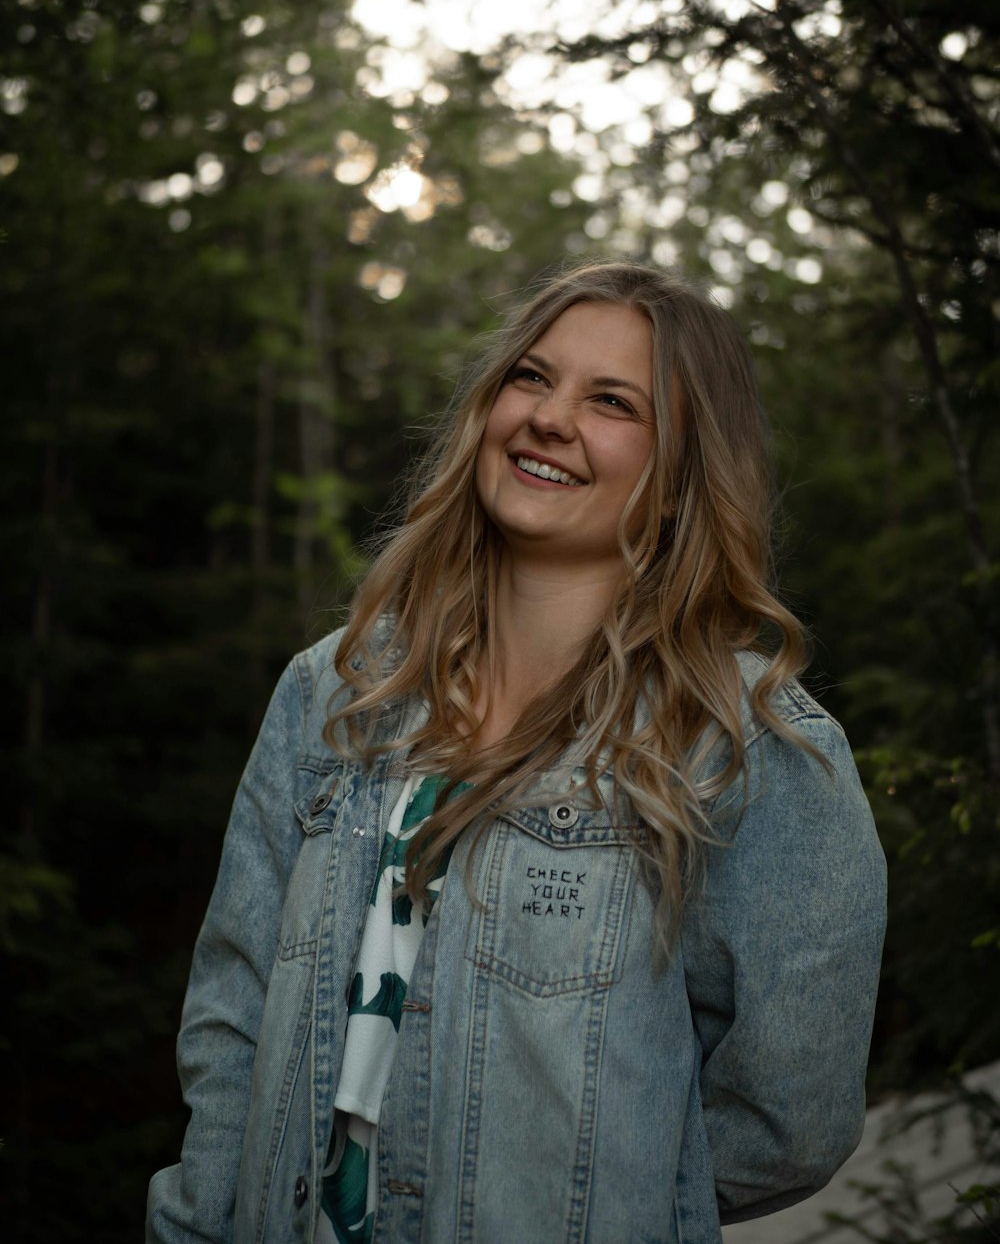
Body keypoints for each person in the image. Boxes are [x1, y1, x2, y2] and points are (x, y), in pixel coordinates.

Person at [147, 260, 886, 1244]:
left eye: (611, 401)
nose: (548, 417)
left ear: (677, 478)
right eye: (531, 377)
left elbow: (789, 1118)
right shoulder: (334, 692)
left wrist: (595, 1195)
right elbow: (233, 1023)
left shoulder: (746, 747)